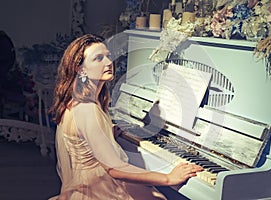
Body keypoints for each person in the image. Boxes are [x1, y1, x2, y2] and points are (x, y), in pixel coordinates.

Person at [49, 34, 202, 200]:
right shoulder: (87, 109)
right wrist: (168, 178)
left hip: (90, 183)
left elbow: (85, 139)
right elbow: (115, 169)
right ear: (80, 69)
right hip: (97, 191)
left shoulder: (78, 101)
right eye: (98, 58)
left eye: (108, 56)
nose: (108, 63)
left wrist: (108, 133)